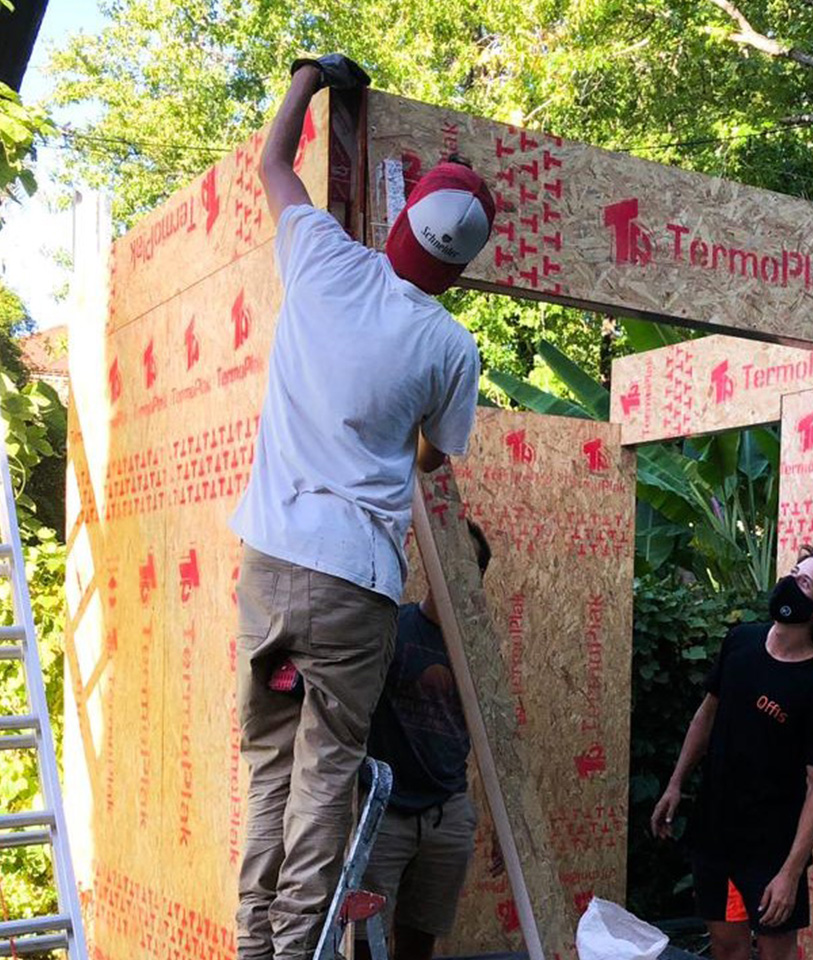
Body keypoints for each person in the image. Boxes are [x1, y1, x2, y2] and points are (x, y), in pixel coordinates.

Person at [230, 53, 495, 960]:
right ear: (456, 270)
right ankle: (294, 950)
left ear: (403, 223)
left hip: (271, 562)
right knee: (322, 780)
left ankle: (253, 947)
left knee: (270, 771)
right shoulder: (449, 346)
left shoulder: (323, 260)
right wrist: (396, 439)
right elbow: (433, 455)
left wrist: (308, 79)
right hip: (354, 585)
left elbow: (273, 164)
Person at [651, 546, 813, 960]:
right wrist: (675, 784)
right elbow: (706, 715)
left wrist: (790, 872)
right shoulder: (740, 641)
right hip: (715, 834)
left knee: (774, 953)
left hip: (771, 851)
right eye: (793, 573)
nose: (789, 583)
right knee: (727, 948)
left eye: (804, 583)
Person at [354, 521, 494, 960]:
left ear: (476, 576)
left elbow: (493, 739)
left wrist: (501, 822)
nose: (453, 570)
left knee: (419, 941)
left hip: (445, 812)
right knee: (365, 941)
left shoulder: (478, 650)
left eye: (465, 563)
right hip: (385, 812)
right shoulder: (393, 628)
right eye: (446, 558)